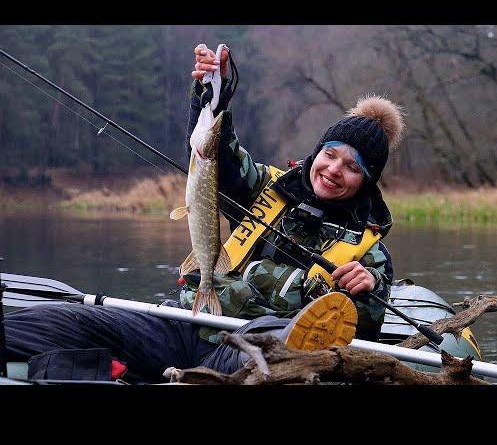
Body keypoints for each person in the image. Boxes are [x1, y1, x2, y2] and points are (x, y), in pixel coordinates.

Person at [2, 43, 406, 383]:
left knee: (280, 340)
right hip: (184, 322)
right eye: (330, 154)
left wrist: (366, 289)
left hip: (248, 343)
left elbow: (364, 330)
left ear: (367, 182)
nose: (334, 170)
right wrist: (212, 94)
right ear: (316, 153)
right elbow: (218, 159)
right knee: (57, 322)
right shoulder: (265, 186)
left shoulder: (368, 252)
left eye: (353, 167)